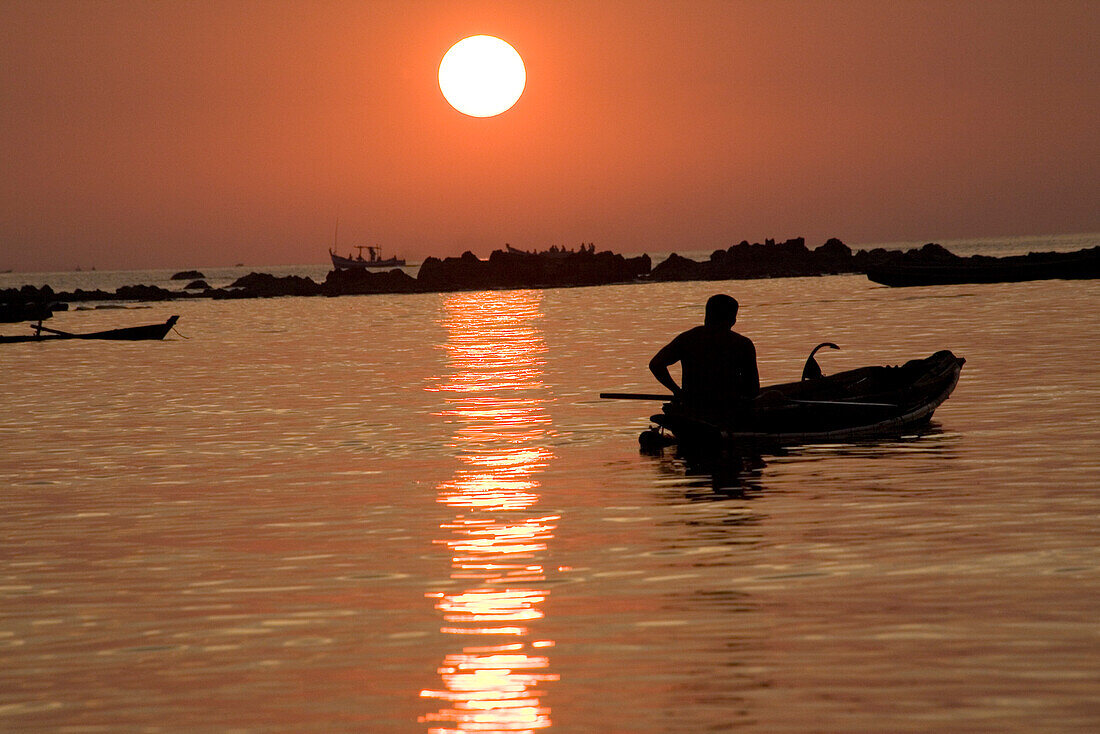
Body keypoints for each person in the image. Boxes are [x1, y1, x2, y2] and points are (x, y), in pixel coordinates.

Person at [649, 294, 759, 419]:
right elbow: (752, 388)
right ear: (733, 320)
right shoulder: (743, 343)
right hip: (730, 409)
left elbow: (656, 364)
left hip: (693, 406)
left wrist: (677, 391)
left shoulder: (688, 338)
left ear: (707, 316)